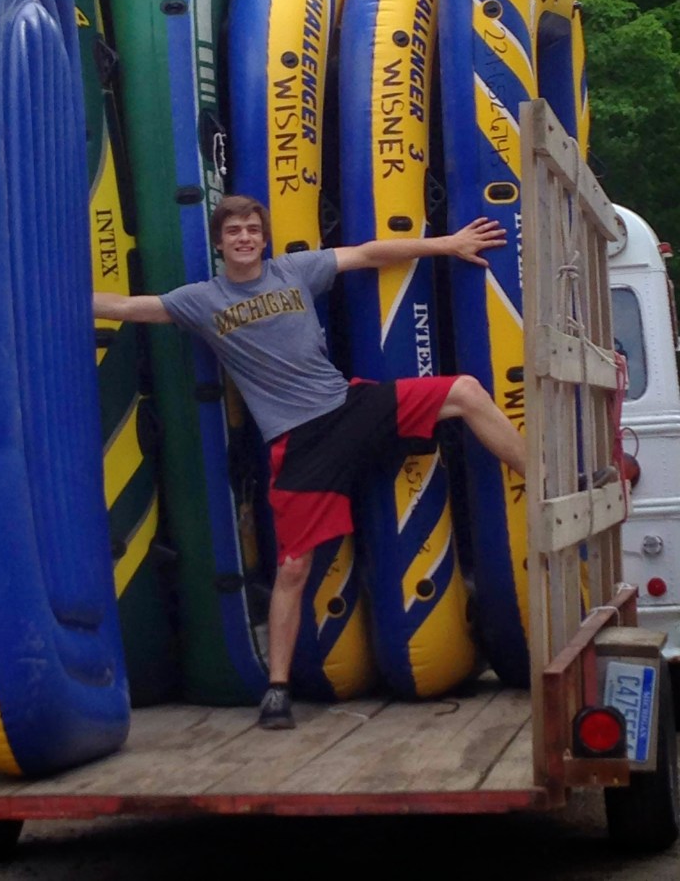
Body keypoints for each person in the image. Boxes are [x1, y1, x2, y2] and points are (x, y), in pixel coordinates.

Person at [93, 194, 527, 730]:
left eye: (253, 229)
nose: (245, 238)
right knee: (294, 568)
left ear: (264, 237)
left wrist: (451, 244)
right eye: (234, 232)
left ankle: (542, 477)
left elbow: (369, 254)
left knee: (464, 390)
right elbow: (130, 307)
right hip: (298, 443)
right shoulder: (201, 300)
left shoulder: (295, 270)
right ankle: (277, 690)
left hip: (348, 407)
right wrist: (59, 297)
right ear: (219, 242)